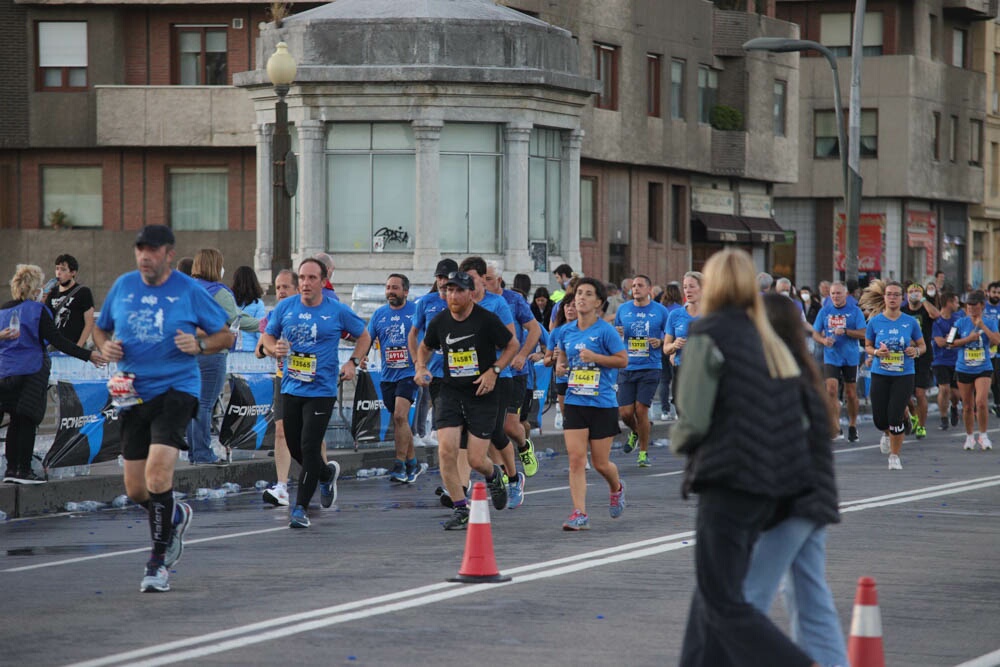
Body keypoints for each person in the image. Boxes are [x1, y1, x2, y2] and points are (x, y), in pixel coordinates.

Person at [669, 248, 815, 667]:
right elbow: (797, 415)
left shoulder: (707, 333)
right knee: (712, 592)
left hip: (728, 477)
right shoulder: (767, 337)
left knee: (722, 599)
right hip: (773, 480)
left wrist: (681, 446)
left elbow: (692, 418)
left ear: (711, 285)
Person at [94, 225, 233, 593]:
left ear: (169, 254)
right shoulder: (123, 286)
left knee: (158, 476)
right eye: (140, 249)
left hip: (177, 389)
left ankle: (157, 562)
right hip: (133, 394)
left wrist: (200, 345)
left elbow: (226, 335)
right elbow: (100, 329)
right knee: (137, 489)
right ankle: (174, 514)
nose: (145, 256)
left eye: (153, 250)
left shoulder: (188, 289)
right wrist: (105, 348)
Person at [744, 293, 847, 667]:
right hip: (813, 499)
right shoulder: (801, 371)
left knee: (744, 601)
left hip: (787, 501)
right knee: (808, 598)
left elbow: (775, 446)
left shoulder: (775, 375)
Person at [261, 258, 370, 528]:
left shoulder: (336, 310)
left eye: (311, 278)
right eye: (302, 278)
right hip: (291, 386)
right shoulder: (286, 307)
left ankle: (300, 508)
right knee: (296, 446)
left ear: (323, 282)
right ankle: (324, 473)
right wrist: (275, 348)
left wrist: (352, 362)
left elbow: (364, 336)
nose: (306, 283)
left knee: (310, 446)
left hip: (321, 389)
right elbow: (267, 336)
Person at [415, 271, 519, 530]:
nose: (453, 295)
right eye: (449, 290)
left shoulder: (486, 320)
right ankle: (461, 509)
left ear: (471, 293)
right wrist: (420, 367)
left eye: (459, 290)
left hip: (482, 394)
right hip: (450, 392)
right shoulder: (440, 321)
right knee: (446, 451)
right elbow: (425, 347)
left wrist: (494, 371)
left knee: (475, 460)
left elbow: (512, 345)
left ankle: (494, 475)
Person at [2, 265, 104, 484]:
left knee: (14, 422)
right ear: (34, 288)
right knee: (27, 420)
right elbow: (59, 341)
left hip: (6, 373)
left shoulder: (4, 310)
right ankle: (24, 470)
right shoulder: (37, 311)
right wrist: (88, 355)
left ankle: (11, 469)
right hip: (31, 370)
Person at [554, 278, 628, 530]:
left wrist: (596, 357)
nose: (581, 298)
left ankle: (616, 487)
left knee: (600, 463)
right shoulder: (566, 331)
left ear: (598, 302)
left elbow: (622, 360)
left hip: (602, 403)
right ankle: (579, 512)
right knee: (575, 459)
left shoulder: (605, 331)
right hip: (575, 400)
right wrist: (560, 366)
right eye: (578, 294)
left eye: (587, 294)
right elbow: (562, 356)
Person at [188, 249, 260, 465]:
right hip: (213, 354)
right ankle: (202, 453)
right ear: (214, 266)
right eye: (221, 264)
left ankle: (194, 452)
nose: (223, 269)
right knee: (205, 404)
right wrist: (264, 325)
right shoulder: (219, 292)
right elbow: (237, 319)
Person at [352, 273, 425, 484]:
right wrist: (361, 357)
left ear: (405, 291)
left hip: (410, 373)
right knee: (399, 421)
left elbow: (430, 336)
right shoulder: (379, 315)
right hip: (388, 376)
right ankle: (413, 463)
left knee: (401, 417)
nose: (390, 291)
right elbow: (367, 338)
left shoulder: (415, 312)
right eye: (388, 287)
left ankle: (399, 465)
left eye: (395, 287)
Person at [484, 261, 541, 486]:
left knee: (508, 426)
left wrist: (522, 354)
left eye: (488, 279)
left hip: (515, 372)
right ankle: (504, 475)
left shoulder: (514, 300)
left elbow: (534, 329)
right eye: (481, 279)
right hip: (489, 371)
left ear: (498, 280)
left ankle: (524, 445)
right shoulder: (475, 301)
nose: (484, 283)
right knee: (488, 427)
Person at [256, 269, 308, 507]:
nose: (281, 292)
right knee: (280, 430)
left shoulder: (311, 310)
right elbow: (259, 349)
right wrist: (272, 348)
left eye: (285, 287)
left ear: (298, 289)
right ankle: (282, 487)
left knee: (311, 435)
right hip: (283, 379)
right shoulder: (274, 315)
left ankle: (324, 476)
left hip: (311, 381)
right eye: (277, 288)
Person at [864, 281, 926, 470]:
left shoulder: (910, 322)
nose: (892, 298)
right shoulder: (874, 322)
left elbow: (922, 345)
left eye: (896, 295)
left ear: (902, 298)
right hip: (880, 373)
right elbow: (867, 346)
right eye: (889, 294)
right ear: (884, 297)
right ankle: (889, 431)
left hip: (903, 374)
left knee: (894, 417)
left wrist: (915, 352)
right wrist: (876, 353)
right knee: (880, 420)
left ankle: (894, 455)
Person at [614, 274, 669, 467]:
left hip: (650, 366)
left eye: (640, 285)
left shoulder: (660, 311)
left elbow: (669, 335)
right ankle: (636, 431)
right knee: (625, 413)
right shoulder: (623, 309)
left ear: (649, 289)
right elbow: (615, 335)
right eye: (633, 286)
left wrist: (661, 341)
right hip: (627, 366)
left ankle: (643, 453)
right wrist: (618, 333)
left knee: (641, 409)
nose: (635, 289)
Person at [407, 258, 458, 456]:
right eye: (439, 277)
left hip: (460, 369)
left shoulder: (463, 299)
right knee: (433, 403)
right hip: (433, 368)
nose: (443, 281)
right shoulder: (426, 302)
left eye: (446, 277)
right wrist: (418, 362)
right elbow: (413, 333)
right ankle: (427, 432)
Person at [811, 281, 866, 442]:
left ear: (846, 295)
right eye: (833, 293)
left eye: (838, 293)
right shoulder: (825, 311)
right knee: (831, 390)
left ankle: (853, 425)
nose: (835, 296)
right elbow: (815, 332)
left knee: (850, 393)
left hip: (850, 356)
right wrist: (822, 341)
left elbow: (864, 333)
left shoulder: (855, 311)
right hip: (831, 356)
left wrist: (846, 331)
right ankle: (835, 426)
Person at [951, 290, 999, 452]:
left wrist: (982, 326)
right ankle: (969, 436)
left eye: (974, 305)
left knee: (981, 403)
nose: (970, 308)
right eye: (968, 305)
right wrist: (967, 339)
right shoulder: (960, 323)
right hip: (964, 367)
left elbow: (996, 341)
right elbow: (950, 342)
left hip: (983, 367)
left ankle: (983, 435)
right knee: (967, 406)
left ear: (982, 306)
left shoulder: (990, 322)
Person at [900, 283, 940, 439]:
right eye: (911, 291)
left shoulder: (925, 309)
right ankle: (913, 415)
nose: (914, 293)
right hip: (904, 355)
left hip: (922, 356)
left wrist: (923, 299)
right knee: (905, 394)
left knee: (920, 392)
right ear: (906, 295)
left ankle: (922, 426)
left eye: (917, 291)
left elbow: (937, 315)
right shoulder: (903, 311)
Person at [664, 271, 702, 414]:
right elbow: (666, 348)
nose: (688, 290)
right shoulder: (675, 315)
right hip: (681, 369)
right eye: (685, 287)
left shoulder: (711, 314)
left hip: (703, 370)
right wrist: (674, 346)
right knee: (681, 410)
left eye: (692, 286)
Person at [44, 254, 96, 348]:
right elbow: (46, 319)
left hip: (74, 344)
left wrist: (79, 346)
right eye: (57, 269)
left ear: (73, 272)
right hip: (54, 346)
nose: (58, 273)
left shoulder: (83, 292)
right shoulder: (52, 292)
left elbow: (89, 322)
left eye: (63, 269)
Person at [931, 291, 962, 431]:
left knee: (956, 394)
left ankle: (954, 407)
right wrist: (953, 342)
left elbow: (963, 338)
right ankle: (943, 417)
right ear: (948, 303)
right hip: (940, 360)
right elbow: (939, 342)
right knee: (944, 389)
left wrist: (955, 342)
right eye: (955, 302)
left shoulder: (958, 318)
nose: (957, 305)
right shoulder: (937, 322)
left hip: (956, 361)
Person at [657, 282, 683, 421]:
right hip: (675, 346)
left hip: (662, 345)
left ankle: (664, 410)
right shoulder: (680, 310)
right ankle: (678, 409)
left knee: (664, 380)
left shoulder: (660, 309)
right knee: (677, 380)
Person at [231, 266, 267, 353]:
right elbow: (260, 330)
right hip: (252, 350)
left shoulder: (230, 301)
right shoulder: (258, 304)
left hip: (232, 347)